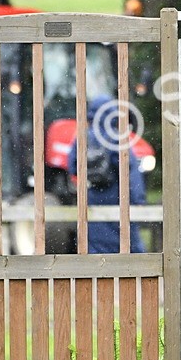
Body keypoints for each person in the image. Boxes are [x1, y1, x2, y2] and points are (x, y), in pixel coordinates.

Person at [67, 95, 146, 254]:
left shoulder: (82, 138)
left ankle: (99, 277)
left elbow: (73, 166)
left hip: (93, 197)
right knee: (129, 245)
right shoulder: (117, 138)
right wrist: (138, 200)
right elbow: (129, 170)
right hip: (118, 197)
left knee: (96, 246)